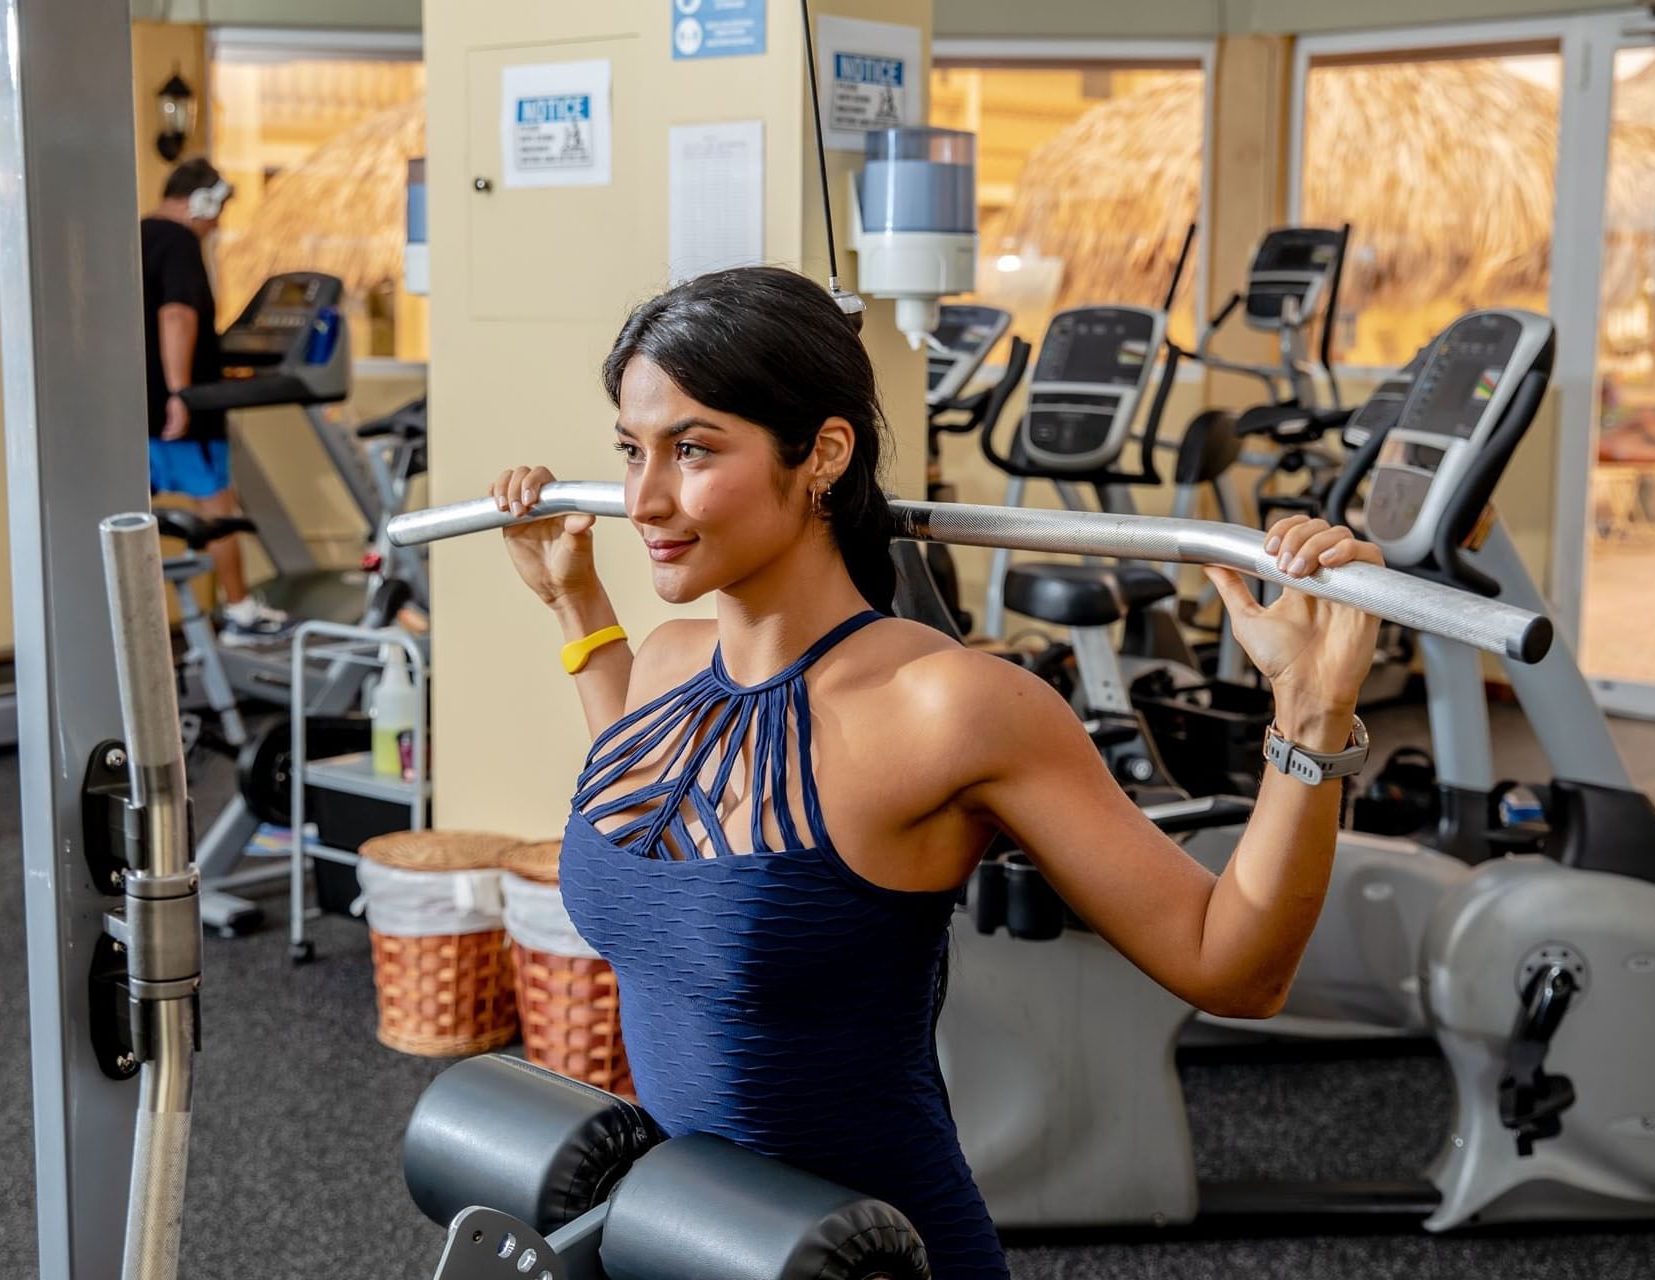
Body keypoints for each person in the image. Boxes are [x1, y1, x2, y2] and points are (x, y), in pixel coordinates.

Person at [490, 267, 1384, 1279]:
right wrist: (575, 605)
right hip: (691, 1240)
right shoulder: (660, 662)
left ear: (824, 453)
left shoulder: (950, 706)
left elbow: (1235, 965)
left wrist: (1311, 715)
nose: (643, 496)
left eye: (693, 450)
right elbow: (655, 824)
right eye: (631, 449)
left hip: (870, 1256)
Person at [142, 157, 292, 644]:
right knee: (218, 507)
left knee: (128, 509)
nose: (217, 224)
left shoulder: (137, 235)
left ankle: (119, 615)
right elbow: (177, 317)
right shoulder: (180, 241)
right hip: (177, 409)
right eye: (217, 211)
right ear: (201, 201)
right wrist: (181, 392)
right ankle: (240, 611)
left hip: (135, 409)